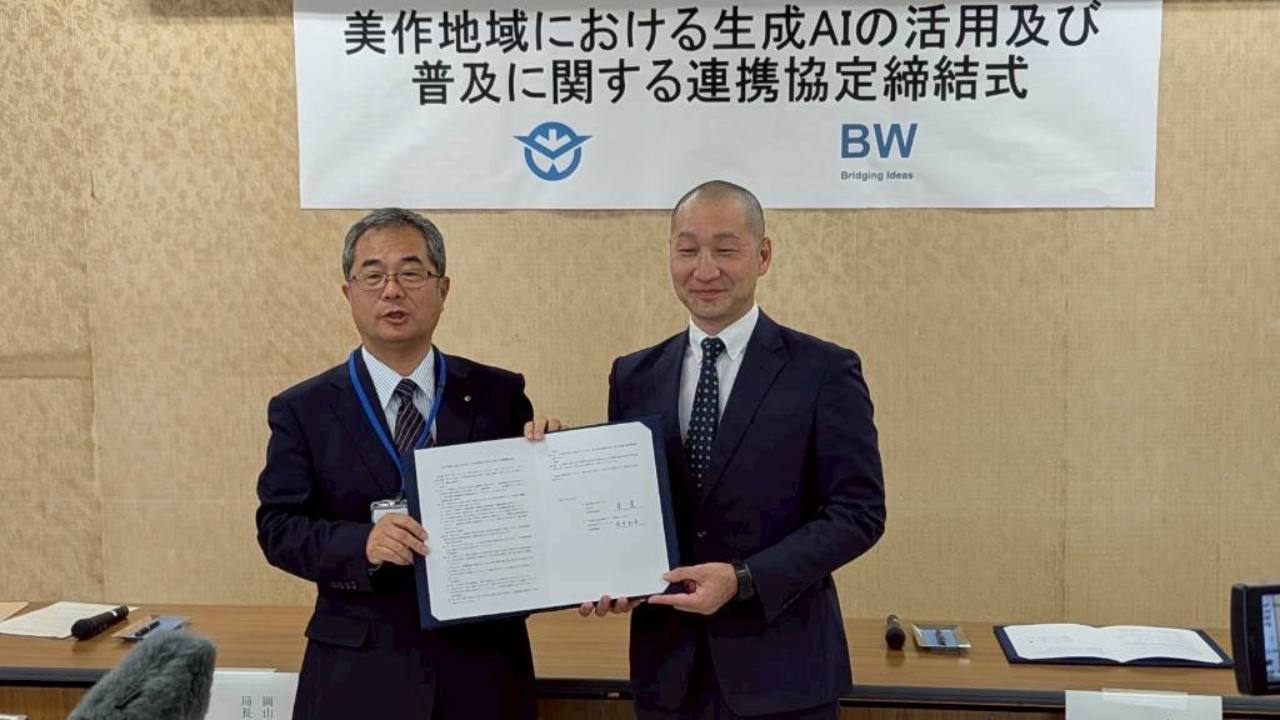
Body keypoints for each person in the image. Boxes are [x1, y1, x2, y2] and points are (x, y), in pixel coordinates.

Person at [589, 181, 886, 719]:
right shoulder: (632, 375)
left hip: (784, 675)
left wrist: (745, 578)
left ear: (763, 255)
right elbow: (627, 510)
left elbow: (858, 513)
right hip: (668, 677)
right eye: (687, 250)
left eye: (725, 249)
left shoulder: (824, 370)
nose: (704, 270)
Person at [256, 208, 556, 720]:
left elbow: (529, 517)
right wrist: (362, 544)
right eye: (372, 275)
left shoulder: (498, 393)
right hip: (357, 672)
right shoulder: (304, 408)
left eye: (411, 273)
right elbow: (278, 528)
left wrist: (553, 464)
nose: (392, 291)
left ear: (443, 288)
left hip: (484, 670)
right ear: (348, 292)